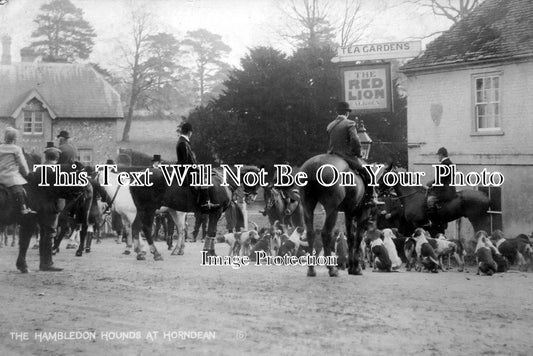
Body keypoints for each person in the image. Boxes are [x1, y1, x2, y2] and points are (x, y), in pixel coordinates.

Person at [326, 102, 379, 205]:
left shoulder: (330, 125)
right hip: (345, 156)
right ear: (347, 113)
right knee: (369, 172)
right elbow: (355, 140)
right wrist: (358, 153)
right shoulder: (350, 123)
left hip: (331, 155)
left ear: (337, 112)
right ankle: (372, 197)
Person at [176, 122, 218, 211]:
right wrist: (197, 168)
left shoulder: (183, 142)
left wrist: (199, 166)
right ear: (189, 132)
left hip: (186, 168)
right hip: (186, 170)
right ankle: (205, 202)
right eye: (191, 132)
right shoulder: (183, 143)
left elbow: (191, 159)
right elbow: (187, 161)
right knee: (204, 179)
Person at [0, 127, 35, 215]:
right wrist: (26, 173)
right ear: (15, 139)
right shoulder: (16, 149)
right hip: (11, 177)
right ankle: (23, 208)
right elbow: (22, 164)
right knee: (20, 191)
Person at [426, 147, 456, 224]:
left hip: (445, 191)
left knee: (430, 201)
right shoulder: (450, 163)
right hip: (450, 189)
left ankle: (433, 222)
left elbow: (439, 181)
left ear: (441, 155)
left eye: (438, 155)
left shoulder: (444, 164)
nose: (438, 157)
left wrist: (431, 185)